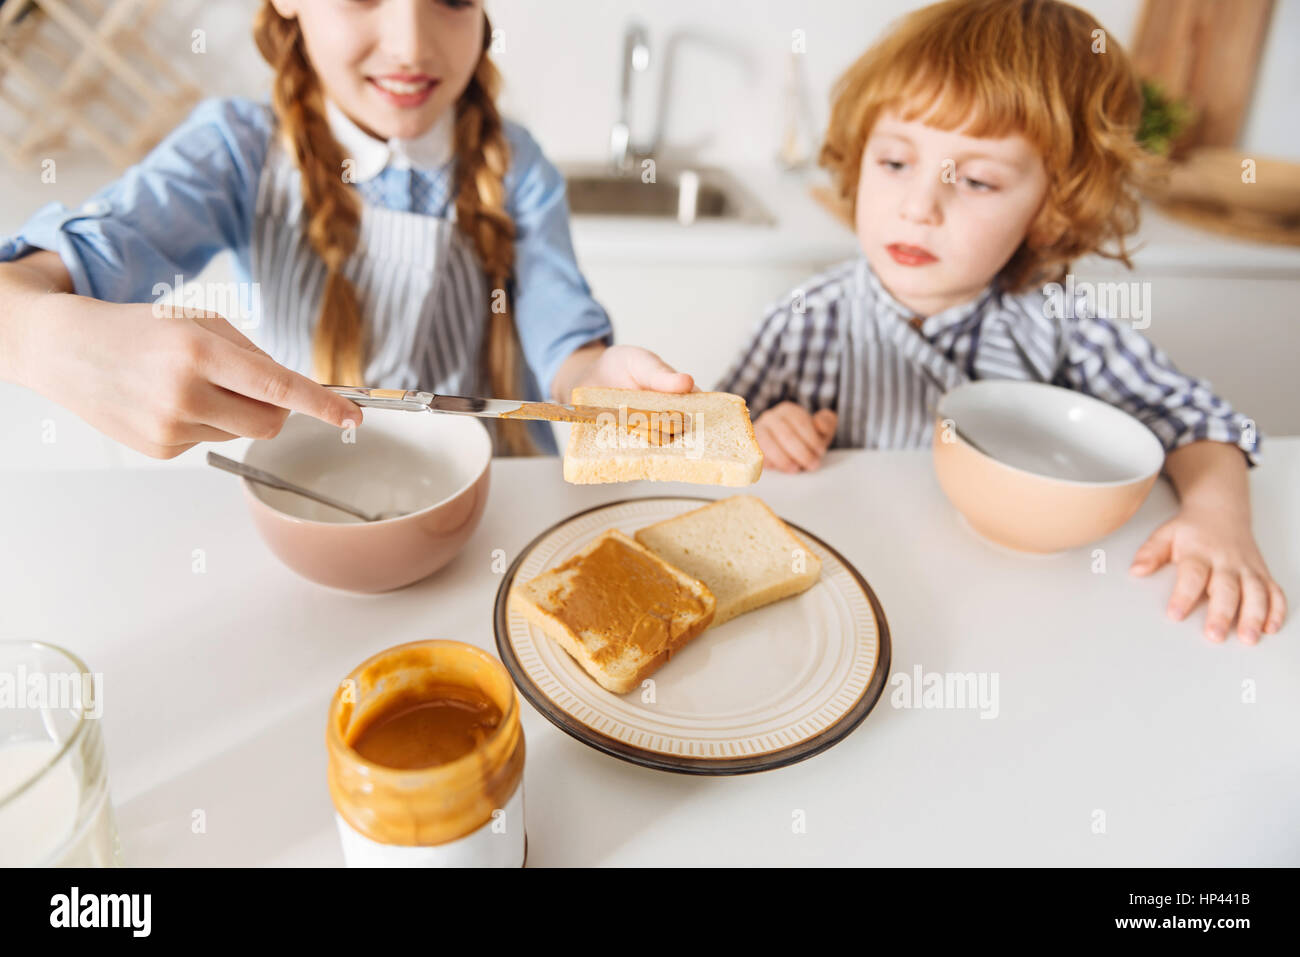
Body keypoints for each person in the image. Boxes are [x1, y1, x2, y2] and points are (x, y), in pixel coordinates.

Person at [717, 0, 1285, 644]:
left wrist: (1219, 517)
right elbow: (704, 445)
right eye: (896, 163)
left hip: (1013, 615)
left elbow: (1203, 420)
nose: (919, 207)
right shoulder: (805, 323)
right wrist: (762, 436)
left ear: (1050, 207)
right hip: (837, 603)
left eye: (978, 181)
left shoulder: (1058, 324)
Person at [0, 0, 694, 460]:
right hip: (308, 512)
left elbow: (566, 352)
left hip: (479, 521)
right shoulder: (235, 152)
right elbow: (24, 287)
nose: (410, 45)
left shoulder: (517, 167)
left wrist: (601, 384)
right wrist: (42, 337)